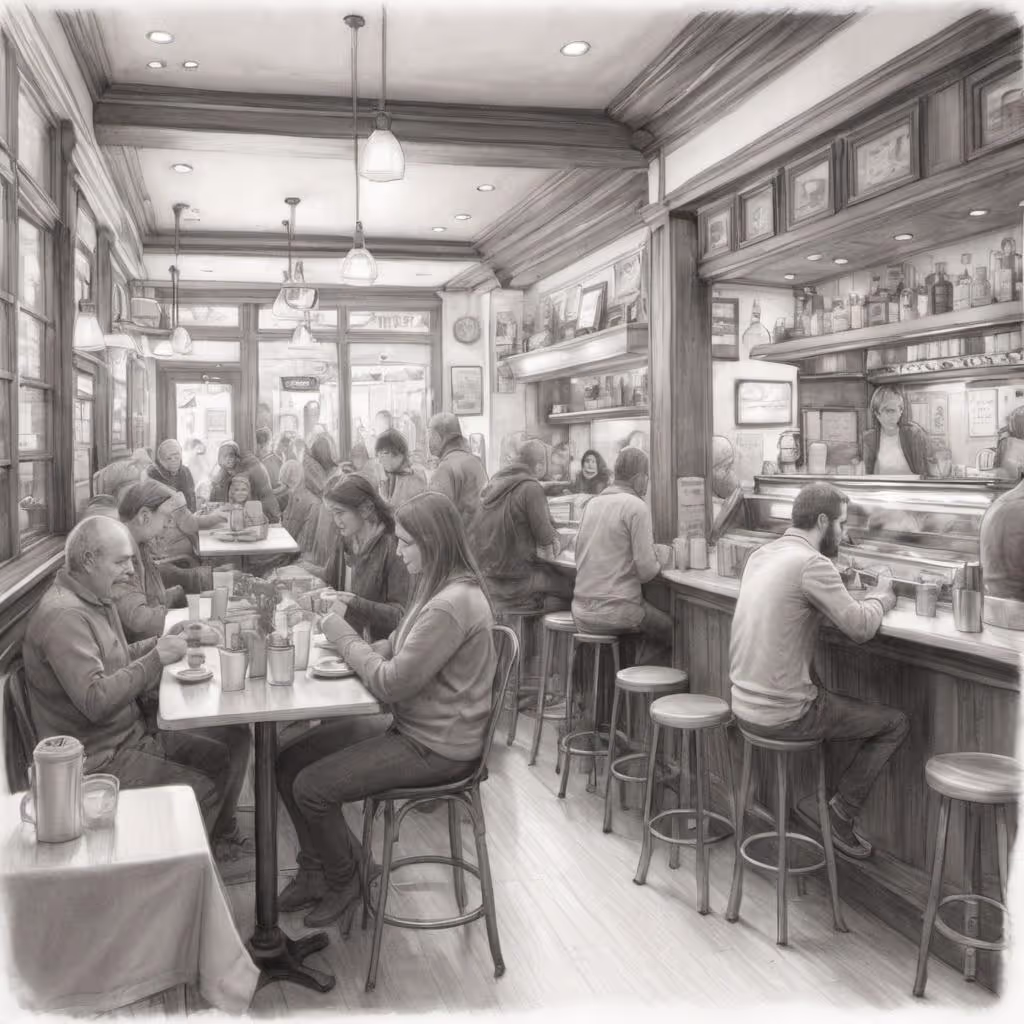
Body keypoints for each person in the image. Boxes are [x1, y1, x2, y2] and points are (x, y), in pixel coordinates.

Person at [275, 490, 496, 925]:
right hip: (417, 729)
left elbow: (391, 684)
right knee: (288, 762)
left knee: (311, 788)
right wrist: (369, 651)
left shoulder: (451, 604)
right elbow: (396, 645)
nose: (398, 550)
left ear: (433, 543)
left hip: (437, 746)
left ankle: (346, 879)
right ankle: (318, 869)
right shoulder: (437, 587)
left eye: (406, 542)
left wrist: (341, 635)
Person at [730, 481, 907, 859]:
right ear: (823, 521)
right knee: (894, 723)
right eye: (842, 524)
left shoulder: (761, 555)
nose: (844, 533)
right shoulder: (812, 563)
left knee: (822, 689)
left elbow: (797, 597)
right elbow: (860, 627)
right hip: (784, 715)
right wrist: (882, 595)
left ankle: (814, 801)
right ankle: (839, 814)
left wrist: (840, 582)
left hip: (742, 705)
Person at [22, 517, 232, 836]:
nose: (132, 571)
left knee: (220, 755)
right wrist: (155, 659)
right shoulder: (65, 617)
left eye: (132, 561)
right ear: (88, 561)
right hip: (99, 763)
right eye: (121, 562)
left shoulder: (95, 599)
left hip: (130, 738)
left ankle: (212, 847)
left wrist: (165, 640)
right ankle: (174, 860)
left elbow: (116, 658)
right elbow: (95, 700)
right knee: (200, 791)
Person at [112, 482, 253, 858]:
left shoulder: (138, 548)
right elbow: (140, 619)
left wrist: (190, 594)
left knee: (236, 727)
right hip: (144, 689)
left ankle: (220, 831)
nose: (169, 527)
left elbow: (155, 596)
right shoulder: (123, 555)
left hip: (146, 674)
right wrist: (184, 621)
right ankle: (215, 838)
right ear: (144, 517)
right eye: (166, 519)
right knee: (236, 729)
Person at [572, 447, 671, 663]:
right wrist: (661, 559)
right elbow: (646, 572)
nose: (647, 484)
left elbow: (577, 555)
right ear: (639, 478)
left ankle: (621, 678)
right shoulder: (637, 507)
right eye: (646, 477)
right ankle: (637, 681)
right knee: (673, 631)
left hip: (581, 611)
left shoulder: (592, 504)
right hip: (618, 612)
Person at [297, 475, 411, 640]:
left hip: (379, 644)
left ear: (365, 509)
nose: (336, 521)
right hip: (346, 635)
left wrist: (353, 602)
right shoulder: (346, 538)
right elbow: (331, 580)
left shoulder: (393, 547)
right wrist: (301, 570)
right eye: (333, 514)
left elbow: (400, 616)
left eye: (340, 513)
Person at [469, 438, 573, 610]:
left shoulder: (493, 483)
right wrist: (568, 540)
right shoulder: (530, 487)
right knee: (575, 587)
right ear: (539, 466)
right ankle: (534, 623)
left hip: (487, 582)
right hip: (516, 583)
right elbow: (547, 540)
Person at [427, 412, 488, 530]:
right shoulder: (475, 462)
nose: (429, 441)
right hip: (480, 536)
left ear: (437, 437)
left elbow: (435, 516)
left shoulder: (445, 469)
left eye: (430, 435)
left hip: (458, 539)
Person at [861, 386, 933, 476]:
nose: (893, 416)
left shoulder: (913, 435)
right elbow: (867, 473)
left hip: (911, 484)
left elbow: (925, 471)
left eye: (897, 410)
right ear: (877, 414)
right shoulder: (869, 438)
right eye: (888, 411)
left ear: (901, 412)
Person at [208, 440, 281, 522]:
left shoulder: (250, 468)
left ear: (236, 457)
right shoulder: (224, 473)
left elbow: (263, 499)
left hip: (259, 513)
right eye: (224, 457)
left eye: (230, 456)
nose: (228, 460)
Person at [376, 428, 428, 508]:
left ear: (398, 453)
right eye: (378, 455)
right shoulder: (392, 475)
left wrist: (384, 498)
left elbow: (404, 513)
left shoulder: (415, 478)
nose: (380, 460)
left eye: (384, 454)